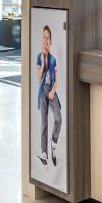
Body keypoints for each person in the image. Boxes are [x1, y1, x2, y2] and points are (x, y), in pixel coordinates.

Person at [36, 25, 62, 167]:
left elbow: (56, 80)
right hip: (42, 91)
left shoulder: (53, 60)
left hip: (51, 89)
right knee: (44, 122)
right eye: (43, 38)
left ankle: (53, 142)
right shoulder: (39, 58)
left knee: (58, 118)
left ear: (51, 42)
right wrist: (42, 58)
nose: (45, 40)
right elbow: (38, 79)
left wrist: (53, 91)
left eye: (48, 38)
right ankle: (44, 153)